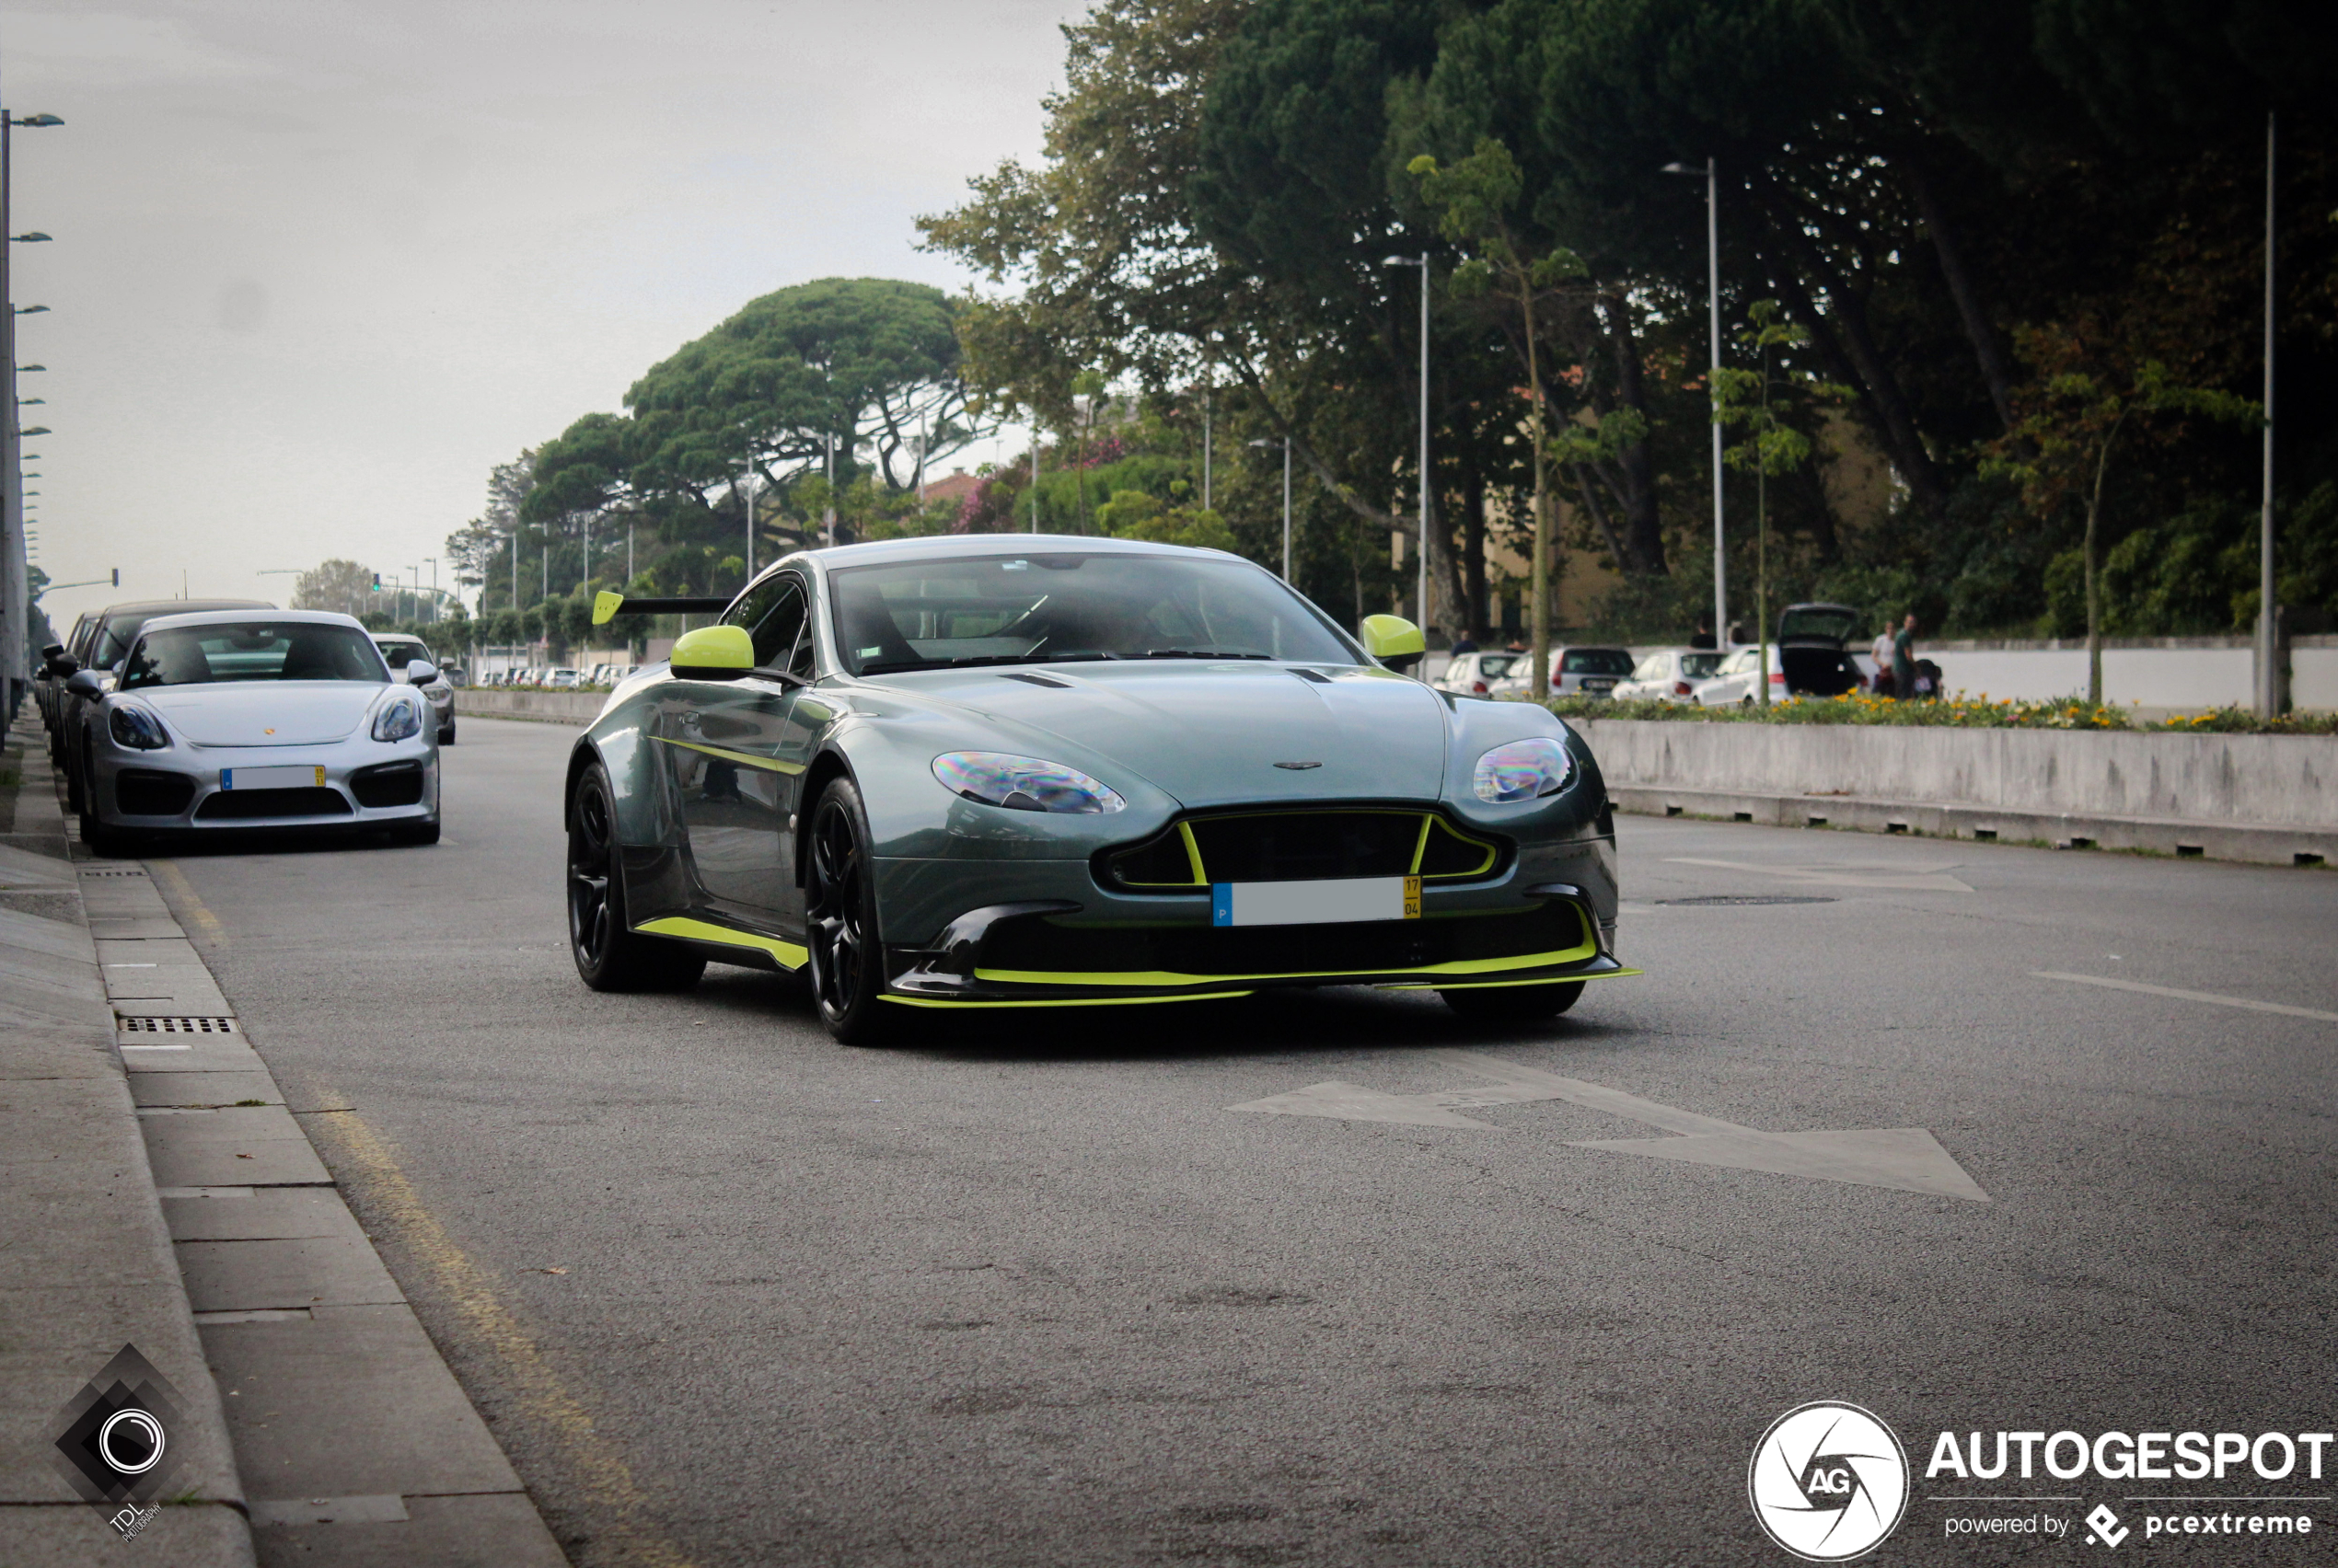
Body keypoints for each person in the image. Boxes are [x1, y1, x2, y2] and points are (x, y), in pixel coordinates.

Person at [1892, 613, 1919, 700]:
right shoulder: (1905, 635)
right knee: (1905, 696)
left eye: (1913, 622)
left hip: (1897, 669)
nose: (1912, 624)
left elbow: (1893, 651)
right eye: (1910, 622)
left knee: (1899, 694)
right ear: (1905, 622)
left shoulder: (1899, 633)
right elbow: (1908, 656)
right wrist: (1916, 668)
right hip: (1904, 670)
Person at [1870, 624, 1897, 698]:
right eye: (1888, 628)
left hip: (1892, 672)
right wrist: (1882, 664)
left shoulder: (1897, 641)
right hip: (1881, 671)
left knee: (1891, 695)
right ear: (1886, 629)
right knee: (1878, 695)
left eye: (1892, 628)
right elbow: (1873, 656)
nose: (1890, 630)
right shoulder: (1880, 640)